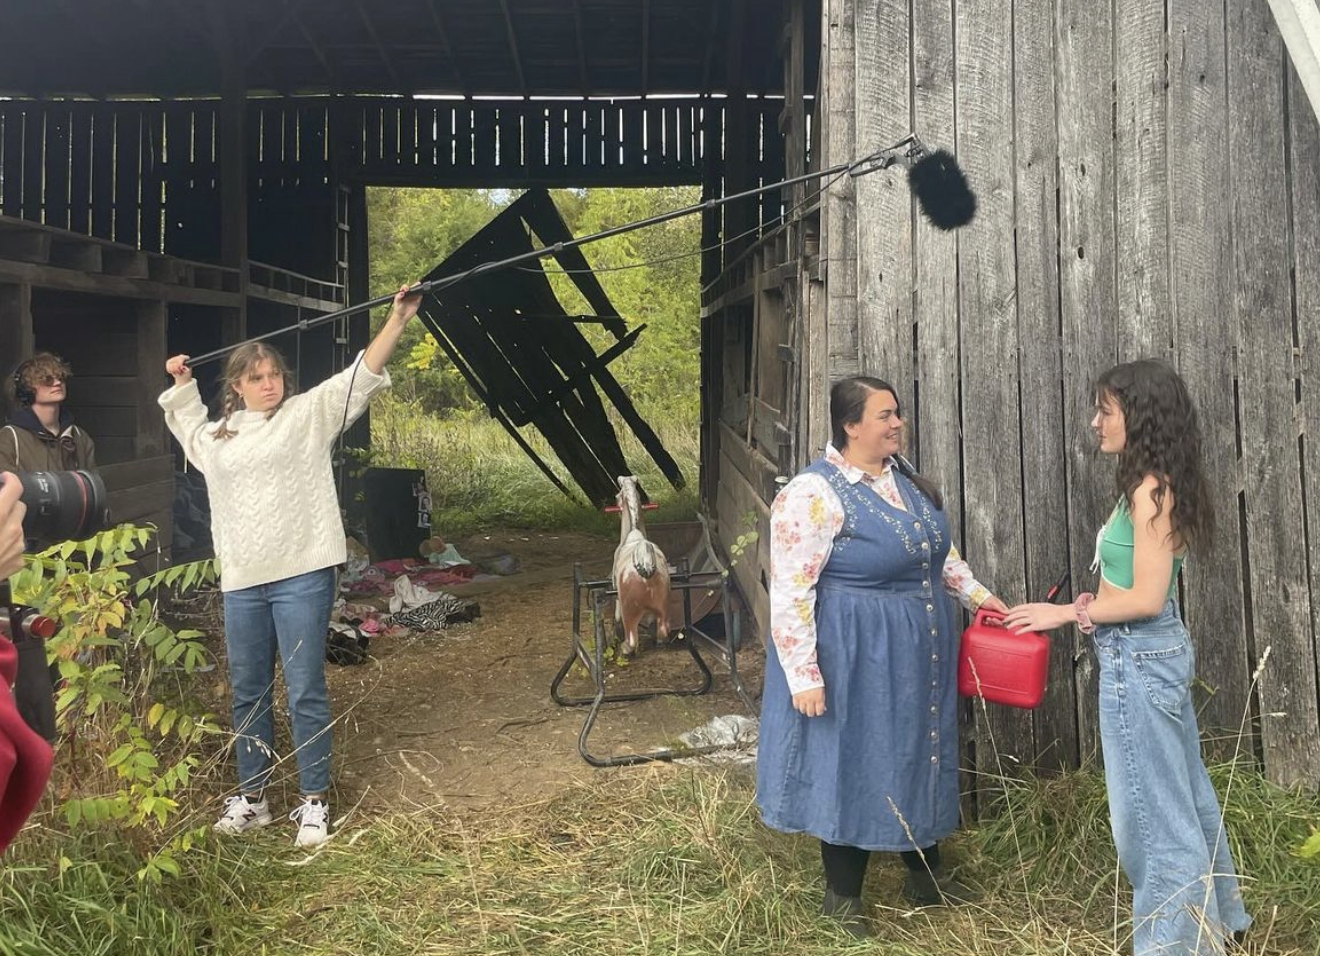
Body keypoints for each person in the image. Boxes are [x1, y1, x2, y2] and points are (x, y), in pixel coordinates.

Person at [159, 285, 422, 848]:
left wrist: (397, 320)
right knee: (248, 691)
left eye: (274, 373)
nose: (269, 383)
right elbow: (186, 422)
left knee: (304, 689)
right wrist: (182, 383)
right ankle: (252, 798)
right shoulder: (218, 439)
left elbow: (359, 377)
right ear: (236, 386)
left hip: (302, 574)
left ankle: (313, 802)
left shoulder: (306, 416)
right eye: (255, 377)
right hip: (243, 583)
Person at [1004, 360, 1251, 956]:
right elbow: (1131, 585)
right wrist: (1093, 600)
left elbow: (1146, 597)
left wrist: (1066, 613)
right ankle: (1219, 926)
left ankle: (1177, 947)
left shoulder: (1151, 491)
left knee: (1149, 819)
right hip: (1143, 653)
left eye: (1105, 411)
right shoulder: (1148, 483)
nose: (1095, 422)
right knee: (1182, 798)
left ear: (1137, 416)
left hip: (1139, 659)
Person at [757, 375, 1007, 937]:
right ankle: (842, 898)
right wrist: (804, 676)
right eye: (884, 415)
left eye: (897, 413)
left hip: (918, 651)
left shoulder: (905, 481)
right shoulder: (812, 494)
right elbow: (792, 590)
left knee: (922, 748)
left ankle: (928, 878)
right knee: (853, 758)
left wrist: (984, 601)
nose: (897, 423)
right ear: (850, 426)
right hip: (851, 652)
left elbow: (939, 559)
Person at [0, 353, 97, 473]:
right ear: (27, 389)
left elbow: (92, 484)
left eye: (60, 378)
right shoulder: (10, 437)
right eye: (47, 379)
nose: (57, 383)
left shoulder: (79, 436)